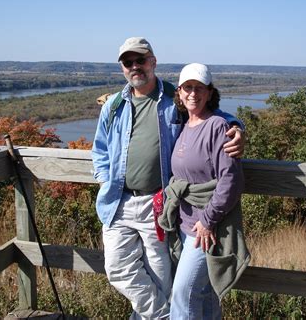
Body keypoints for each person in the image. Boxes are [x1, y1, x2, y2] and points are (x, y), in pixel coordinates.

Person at [91, 37, 245, 319]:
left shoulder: (174, 99)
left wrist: (237, 127)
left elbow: (208, 113)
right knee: (117, 269)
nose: (135, 66)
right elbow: (99, 149)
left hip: (158, 204)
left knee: (162, 277)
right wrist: (104, 179)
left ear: (153, 62)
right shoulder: (113, 105)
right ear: (123, 68)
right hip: (117, 202)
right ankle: (164, 316)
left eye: (141, 60)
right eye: (129, 62)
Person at [159, 63, 250, 319]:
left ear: (210, 93)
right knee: (205, 296)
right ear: (179, 92)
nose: (193, 93)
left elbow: (230, 180)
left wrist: (208, 221)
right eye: (187, 87)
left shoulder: (218, 127)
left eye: (199, 88)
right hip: (185, 224)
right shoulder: (183, 125)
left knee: (182, 294)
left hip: (206, 229)